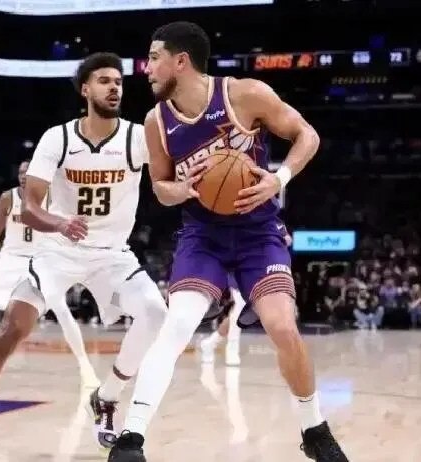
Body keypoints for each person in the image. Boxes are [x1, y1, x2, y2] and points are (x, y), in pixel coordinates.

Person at [108, 22, 349, 462]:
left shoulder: (244, 94)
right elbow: (160, 186)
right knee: (177, 324)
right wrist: (182, 189)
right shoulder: (156, 121)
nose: (146, 68)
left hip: (258, 233)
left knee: (282, 327)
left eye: (154, 58)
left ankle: (313, 429)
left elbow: (307, 135)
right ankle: (131, 438)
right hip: (203, 236)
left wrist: (279, 177)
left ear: (181, 61)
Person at [0, 52, 167, 461]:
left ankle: (107, 396)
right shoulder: (58, 138)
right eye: (104, 81)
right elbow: (30, 208)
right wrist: (59, 222)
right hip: (58, 252)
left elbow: (166, 181)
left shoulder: (137, 138)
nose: (114, 88)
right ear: (85, 90)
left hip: (112, 256)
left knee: (155, 312)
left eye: (118, 82)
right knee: (12, 329)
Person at [0, 161, 100, 387]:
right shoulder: (8, 198)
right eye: (20, 172)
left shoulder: (53, 196)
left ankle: (85, 368)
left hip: (40, 259)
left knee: (62, 311)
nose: (23, 175)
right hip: (10, 259)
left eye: (28, 172)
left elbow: (67, 227)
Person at [200, 229, 292, 366]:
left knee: (238, 313)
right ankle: (231, 350)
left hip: (259, 269)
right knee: (239, 309)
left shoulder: (273, 222)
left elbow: (288, 240)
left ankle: (210, 342)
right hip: (239, 269)